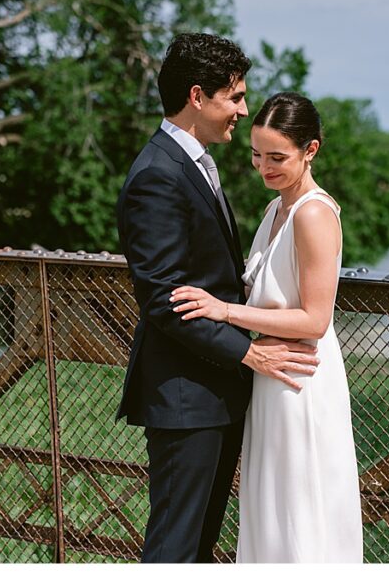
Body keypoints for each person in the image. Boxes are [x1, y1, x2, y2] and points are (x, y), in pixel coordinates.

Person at [115, 35, 322, 564]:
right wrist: (249, 352)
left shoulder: (193, 163)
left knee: (199, 544)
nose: (243, 110)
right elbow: (163, 300)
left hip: (215, 392)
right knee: (175, 547)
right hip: (186, 397)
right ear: (197, 96)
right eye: (235, 97)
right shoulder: (158, 174)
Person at [171, 92, 364, 563]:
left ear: (310, 150)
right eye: (257, 155)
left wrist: (225, 312)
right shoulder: (274, 210)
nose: (264, 168)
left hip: (301, 378)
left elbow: (315, 319)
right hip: (270, 375)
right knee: (271, 508)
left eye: (277, 157)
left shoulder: (313, 213)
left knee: (301, 508)